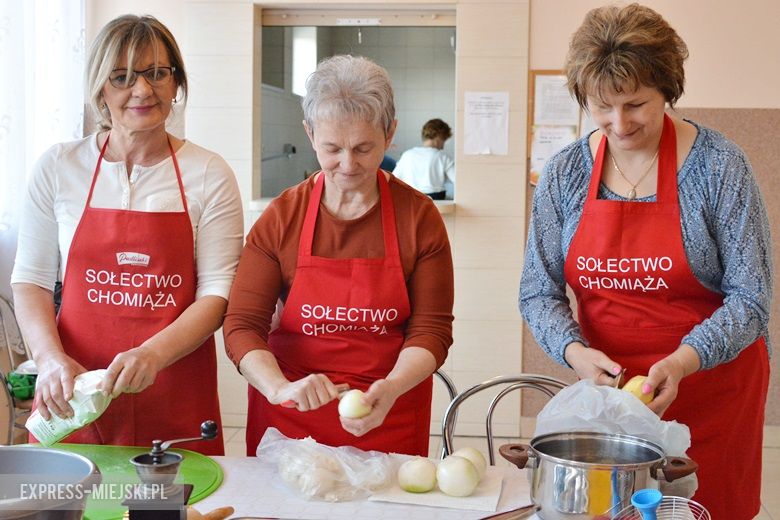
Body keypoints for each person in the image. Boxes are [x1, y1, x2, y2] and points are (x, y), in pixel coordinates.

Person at [519, 5, 770, 519]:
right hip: (613, 401)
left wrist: (680, 362)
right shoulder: (566, 173)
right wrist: (573, 352)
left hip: (708, 388)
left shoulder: (719, 167)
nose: (619, 123)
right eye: (601, 107)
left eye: (636, 104)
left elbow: (752, 297)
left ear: (668, 91)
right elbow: (536, 292)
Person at [11, 15, 243, 455]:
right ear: (100, 87)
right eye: (122, 77)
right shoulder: (60, 167)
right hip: (74, 391)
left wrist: (152, 355)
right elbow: (31, 281)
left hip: (174, 386)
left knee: (175, 504)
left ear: (176, 82)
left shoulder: (209, 174)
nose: (142, 90)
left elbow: (216, 293)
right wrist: (49, 359)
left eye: (157, 73)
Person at [223, 55, 454, 456]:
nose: (348, 165)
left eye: (364, 148)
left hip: (387, 416)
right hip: (290, 421)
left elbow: (431, 330)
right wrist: (280, 388)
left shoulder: (418, 218)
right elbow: (241, 325)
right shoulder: (282, 218)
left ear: (390, 132)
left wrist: (393, 387)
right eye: (332, 148)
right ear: (310, 134)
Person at [393, 118, 455, 200]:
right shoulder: (442, 157)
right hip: (436, 200)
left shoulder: (407, 155)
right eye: (444, 140)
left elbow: (394, 179)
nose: (443, 146)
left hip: (410, 199)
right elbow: (458, 181)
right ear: (439, 137)